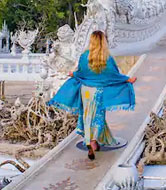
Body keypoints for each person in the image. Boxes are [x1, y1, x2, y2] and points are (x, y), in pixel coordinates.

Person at [48, 30, 137, 160]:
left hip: (86, 90)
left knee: (87, 115)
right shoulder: (107, 58)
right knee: (98, 116)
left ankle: (89, 140)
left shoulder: (85, 56)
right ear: (103, 42)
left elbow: (81, 73)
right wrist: (126, 79)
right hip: (99, 91)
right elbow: (113, 76)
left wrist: (74, 74)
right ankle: (93, 140)